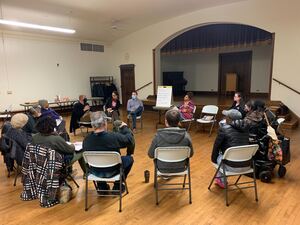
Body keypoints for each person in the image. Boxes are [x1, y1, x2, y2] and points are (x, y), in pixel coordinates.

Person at [83, 111, 134, 193]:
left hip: (95, 172)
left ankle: (102, 187)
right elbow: (129, 139)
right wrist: (125, 128)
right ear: (104, 123)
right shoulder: (113, 137)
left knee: (98, 161)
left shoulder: (86, 140)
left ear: (92, 125)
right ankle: (118, 186)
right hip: (113, 170)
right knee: (130, 159)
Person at [211, 109, 249, 188]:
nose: (225, 118)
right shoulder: (246, 129)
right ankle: (220, 179)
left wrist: (214, 161)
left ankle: (221, 181)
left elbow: (216, 147)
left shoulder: (224, 129)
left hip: (231, 166)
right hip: (246, 165)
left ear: (229, 119)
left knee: (220, 157)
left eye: (226, 116)